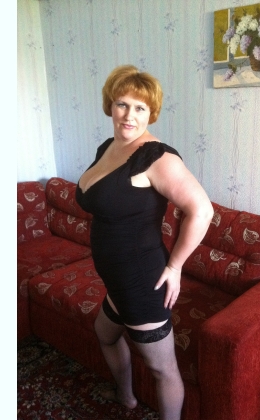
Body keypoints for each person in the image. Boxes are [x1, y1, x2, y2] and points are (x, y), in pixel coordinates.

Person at [75, 65, 213, 420]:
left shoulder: (156, 156)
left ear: (151, 112)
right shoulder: (109, 147)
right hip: (116, 280)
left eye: (140, 108)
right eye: (122, 104)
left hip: (142, 281)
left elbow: (201, 210)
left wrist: (175, 267)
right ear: (110, 105)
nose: (129, 115)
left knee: (163, 369)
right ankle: (127, 396)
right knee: (105, 334)